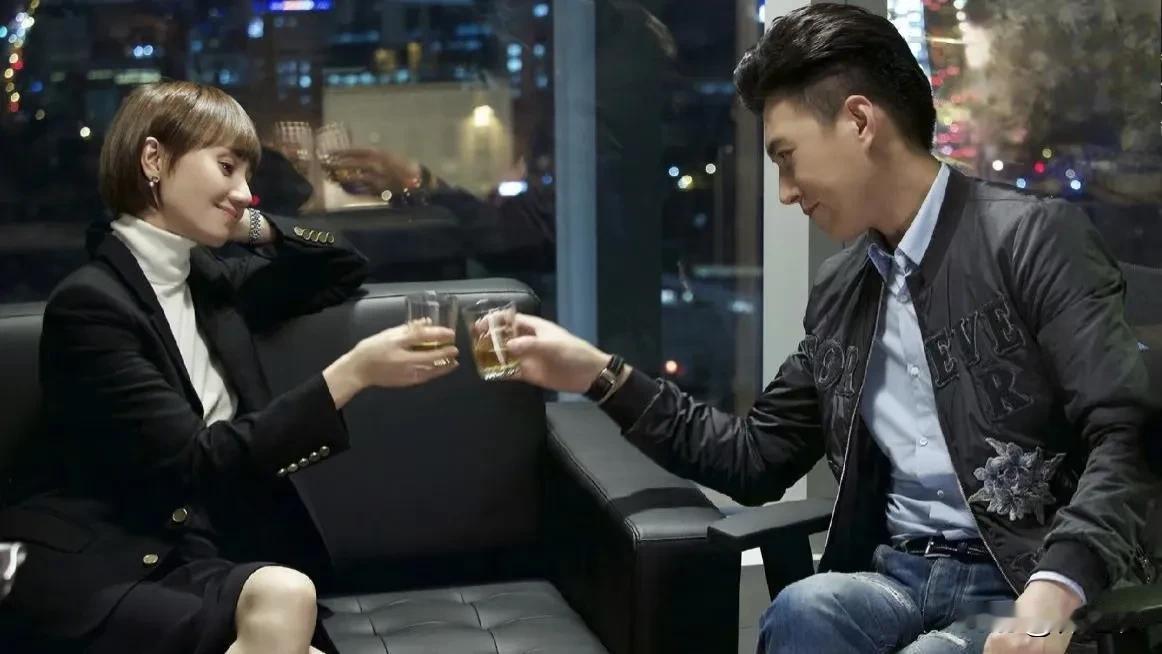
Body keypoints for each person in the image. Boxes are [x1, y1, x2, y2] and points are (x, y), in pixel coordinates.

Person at [501, 5, 1157, 654]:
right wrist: (597, 374)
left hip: (1023, 583)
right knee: (806, 609)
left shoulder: (1030, 240)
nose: (786, 191)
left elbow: (1126, 436)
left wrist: (1055, 591)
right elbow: (752, 458)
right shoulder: (846, 289)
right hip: (896, 577)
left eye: (787, 158)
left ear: (860, 121)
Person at [0, 81, 461, 653]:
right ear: (153, 160)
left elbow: (342, 263)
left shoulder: (209, 280)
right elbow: (197, 461)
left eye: (247, 174)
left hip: (207, 551)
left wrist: (250, 224)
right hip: (116, 560)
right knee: (288, 600)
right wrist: (354, 373)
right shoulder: (92, 306)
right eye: (226, 167)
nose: (245, 192)